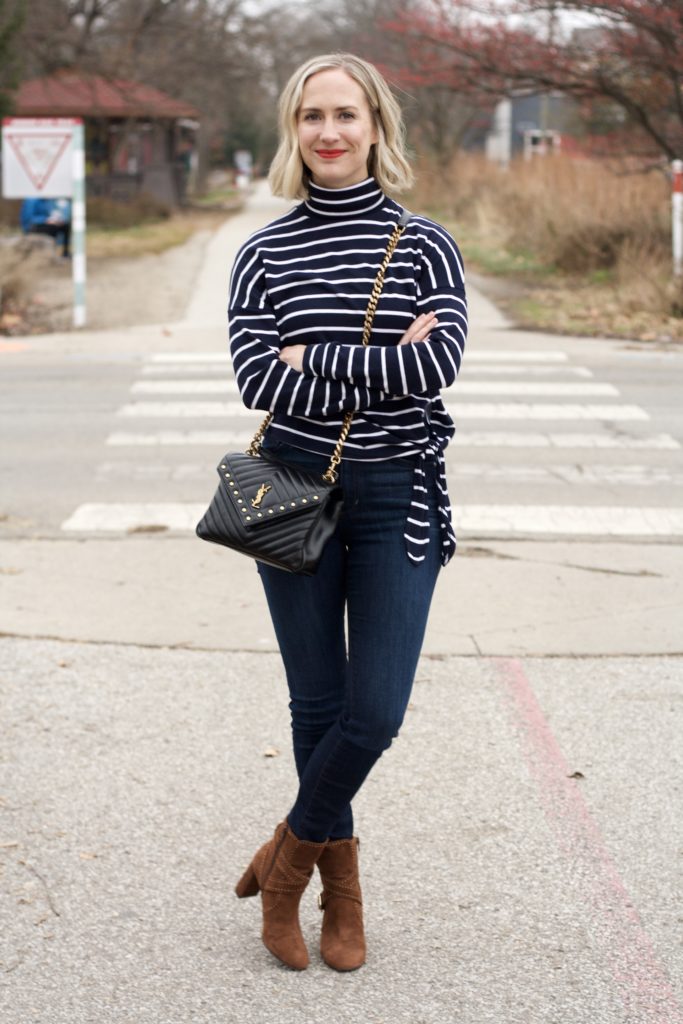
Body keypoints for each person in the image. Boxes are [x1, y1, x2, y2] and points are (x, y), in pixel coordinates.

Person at [229, 53, 467, 972]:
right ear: (293, 130)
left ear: (376, 126)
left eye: (346, 114)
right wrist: (368, 357)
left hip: (399, 494)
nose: (329, 131)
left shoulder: (424, 245)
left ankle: (285, 862)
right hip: (292, 494)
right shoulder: (265, 251)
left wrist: (308, 357)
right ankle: (338, 894)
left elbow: (433, 368)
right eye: (311, 116)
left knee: (373, 711)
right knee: (316, 702)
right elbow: (257, 377)